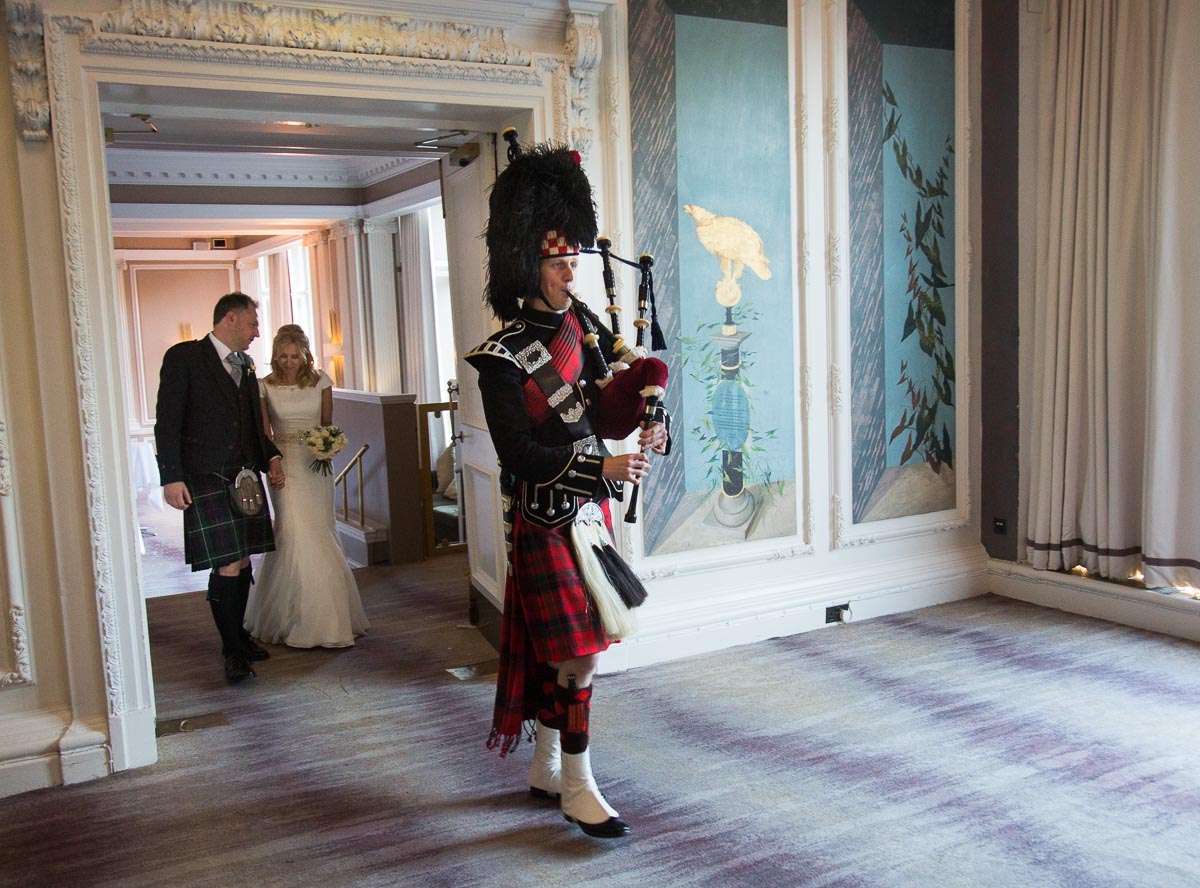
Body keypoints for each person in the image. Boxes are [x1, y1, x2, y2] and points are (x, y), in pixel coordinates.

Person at [464, 140, 670, 839]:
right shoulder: (499, 359)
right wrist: (601, 470)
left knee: (574, 652)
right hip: (545, 516)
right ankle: (579, 787)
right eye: (557, 264)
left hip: (589, 516)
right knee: (578, 653)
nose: (569, 273)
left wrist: (650, 413)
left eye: (572, 261)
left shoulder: (586, 326)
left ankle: (547, 765)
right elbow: (518, 455)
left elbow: (611, 406)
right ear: (527, 265)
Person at [155, 292, 285, 683]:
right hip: (206, 476)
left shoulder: (245, 364)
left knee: (243, 560)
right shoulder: (185, 358)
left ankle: (239, 636)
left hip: (244, 476)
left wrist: (271, 457)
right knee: (227, 562)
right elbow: (167, 421)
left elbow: (252, 424)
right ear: (230, 319)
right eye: (252, 324)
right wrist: (171, 476)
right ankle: (232, 652)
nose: (256, 333)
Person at [244, 325, 369, 648]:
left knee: (320, 531)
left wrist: (328, 446)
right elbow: (265, 433)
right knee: (291, 531)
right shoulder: (264, 386)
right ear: (275, 356)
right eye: (283, 356)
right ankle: (290, 618)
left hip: (316, 466)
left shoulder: (321, 381)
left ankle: (329, 620)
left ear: (305, 355)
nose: (289, 362)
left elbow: (327, 425)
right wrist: (272, 463)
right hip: (284, 464)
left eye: (295, 356)